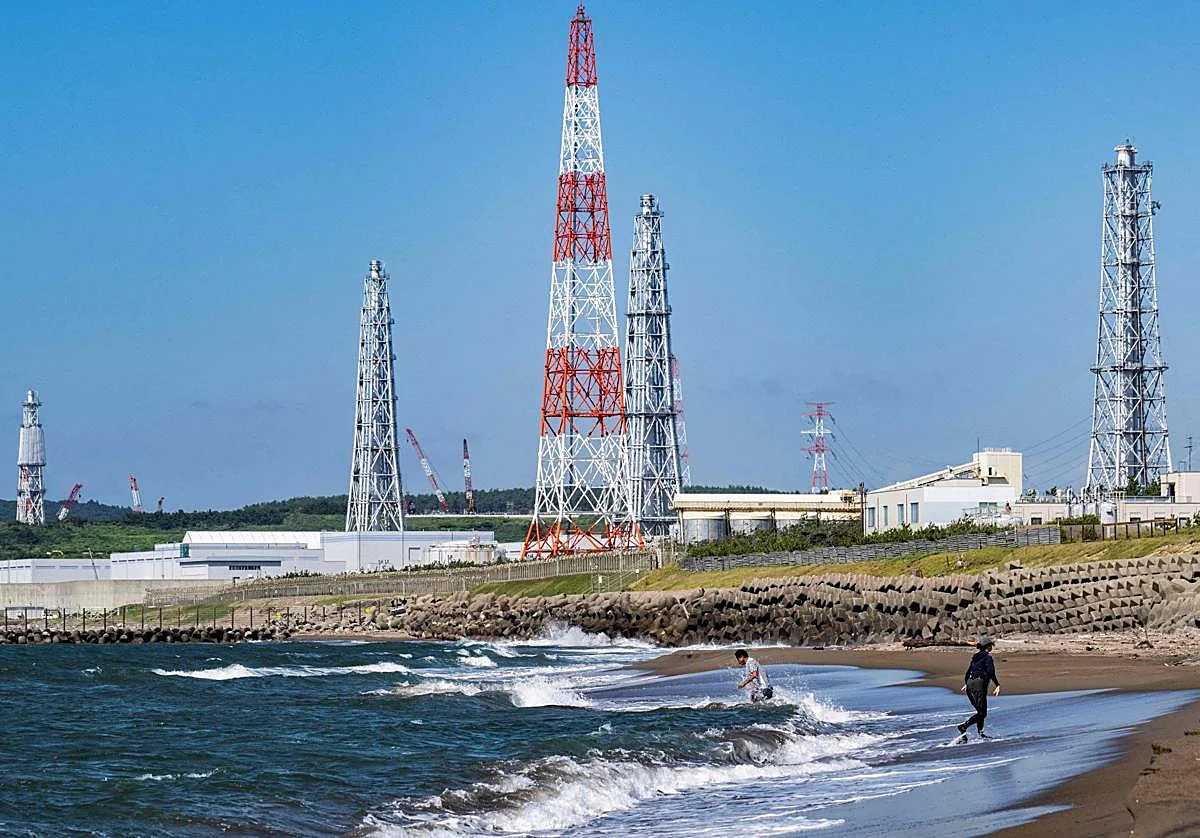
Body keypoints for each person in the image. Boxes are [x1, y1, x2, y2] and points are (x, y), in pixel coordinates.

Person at [957, 635, 1001, 742]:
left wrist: (966, 683)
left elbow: (969, 671)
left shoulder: (975, 656)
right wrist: (997, 685)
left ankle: (980, 734)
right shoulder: (988, 657)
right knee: (982, 713)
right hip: (978, 684)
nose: (992, 647)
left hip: (970, 683)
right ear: (988, 646)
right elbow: (991, 672)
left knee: (980, 711)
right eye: (991, 645)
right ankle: (963, 726)